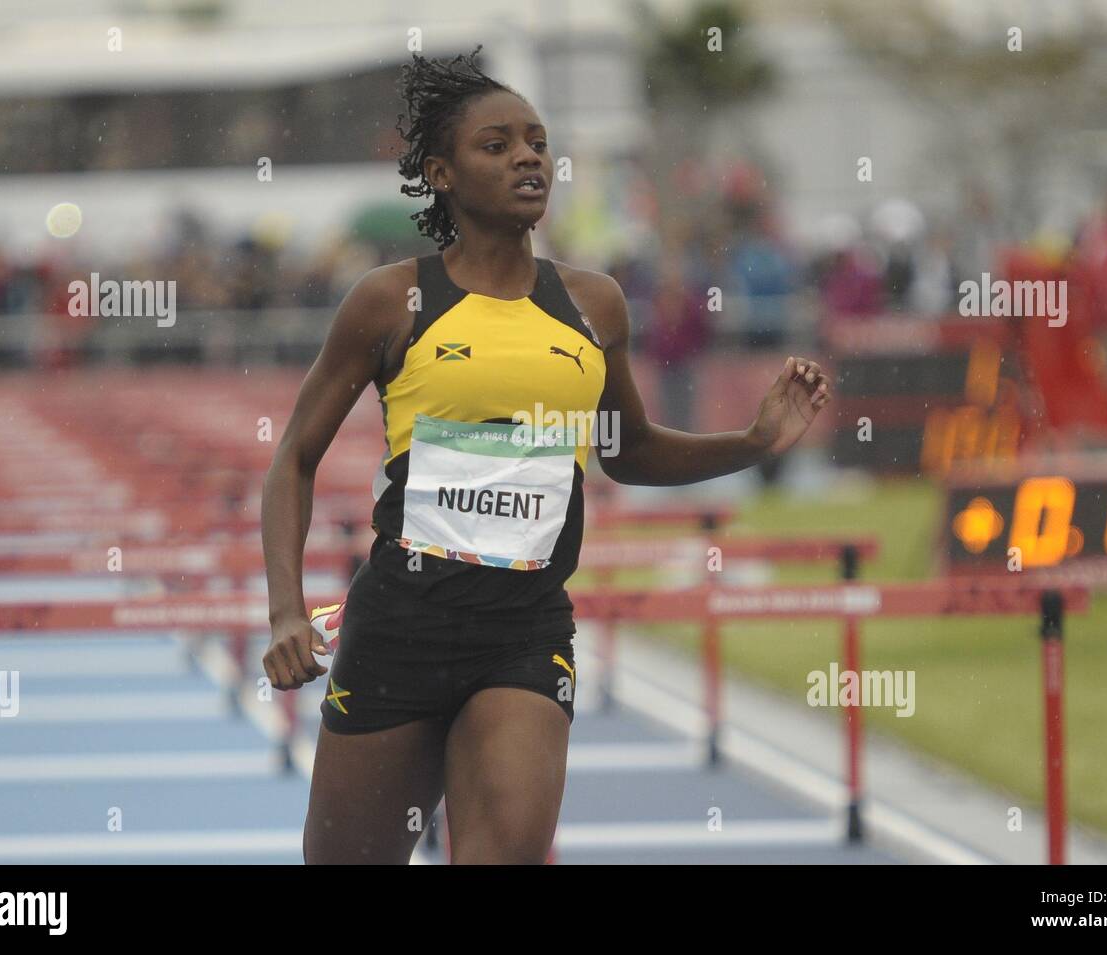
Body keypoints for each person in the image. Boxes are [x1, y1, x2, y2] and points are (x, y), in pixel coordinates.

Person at [260, 47, 832, 865]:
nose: (529, 156)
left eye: (537, 141)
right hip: (401, 625)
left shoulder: (592, 303)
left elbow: (626, 450)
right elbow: (293, 459)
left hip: (524, 629)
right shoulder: (393, 299)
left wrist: (753, 441)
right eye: (497, 144)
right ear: (442, 173)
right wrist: (286, 609)